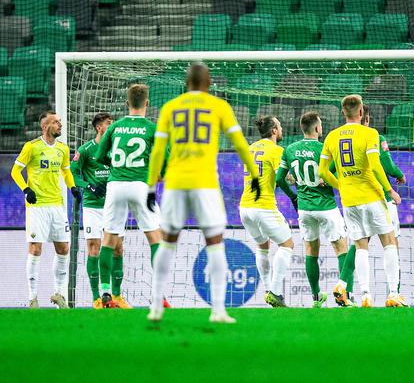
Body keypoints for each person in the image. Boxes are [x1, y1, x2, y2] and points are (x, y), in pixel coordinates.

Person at [146, 63, 260, 323]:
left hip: (175, 182)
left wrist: (151, 185)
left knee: (167, 241)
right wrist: (254, 174)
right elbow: (240, 143)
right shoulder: (219, 107)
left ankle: (155, 306)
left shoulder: (170, 108)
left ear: (186, 83)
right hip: (205, 183)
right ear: (209, 83)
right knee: (215, 242)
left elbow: (157, 151)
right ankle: (218, 310)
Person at [319, 95, 406, 308]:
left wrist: (341, 186)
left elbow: (322, 172)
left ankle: (366, 296)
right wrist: (390, 190)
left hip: (349, 201)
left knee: (360, 247)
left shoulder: (331, 136)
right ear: (361, 113)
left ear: (343, 113)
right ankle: (393, 293)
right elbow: (376, 165)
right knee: (389, 242)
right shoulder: (370, 133)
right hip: (372, 197)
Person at [95, 84, 162, 308]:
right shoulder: (152, 128)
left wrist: (115, 166)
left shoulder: (115, 127)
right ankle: (158, 294)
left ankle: (105, 293)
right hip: (140, 184)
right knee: (155, 238)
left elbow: (99, 155)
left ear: (126, 103)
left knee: (109, 239)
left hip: (115, 185)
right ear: (147, 103)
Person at [276, 111, 349, 308]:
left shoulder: (289, 149)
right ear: (317, 128)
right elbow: (333, 171)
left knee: (310, 251)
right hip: (326, 206)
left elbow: (279, 179)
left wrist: (293, 196)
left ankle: (316, 297)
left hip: (305, 209)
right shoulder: (324, 149)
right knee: (342, 248)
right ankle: (344, 296)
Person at [11, 111, 82, 308]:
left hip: (57, 205)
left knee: (64, 248)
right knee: (35, 249)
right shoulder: (31, 147)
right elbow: (15, 171)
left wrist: (73, 187)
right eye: (56, 122)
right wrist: (26, 189)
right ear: (45, 126)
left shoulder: (62, 149)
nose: (60, 125)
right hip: (37, 206)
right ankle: (33, 298)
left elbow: (66, 171)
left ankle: (59, 294)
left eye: (60, 122)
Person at [71, 112, 126, 309]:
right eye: (108, 123)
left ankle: (117, 296)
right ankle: (97, 298)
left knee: (118, 248)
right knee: (94, 247)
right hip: (93, 207)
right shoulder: (86, 149)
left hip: (114, 205)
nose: (111, 126)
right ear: (99, 127)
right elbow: (72, 173)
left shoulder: (117, 149)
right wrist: (88, 186)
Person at [240, 116, 294, 308]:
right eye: (279, 126)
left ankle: (267, 290)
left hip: (245, 208)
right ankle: (276, 291)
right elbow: (287, 179)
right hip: (263, 207)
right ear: (273, 131)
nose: (281, 129)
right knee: (287, 244)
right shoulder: (277, 151)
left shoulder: (250, 148)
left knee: (263, 246)